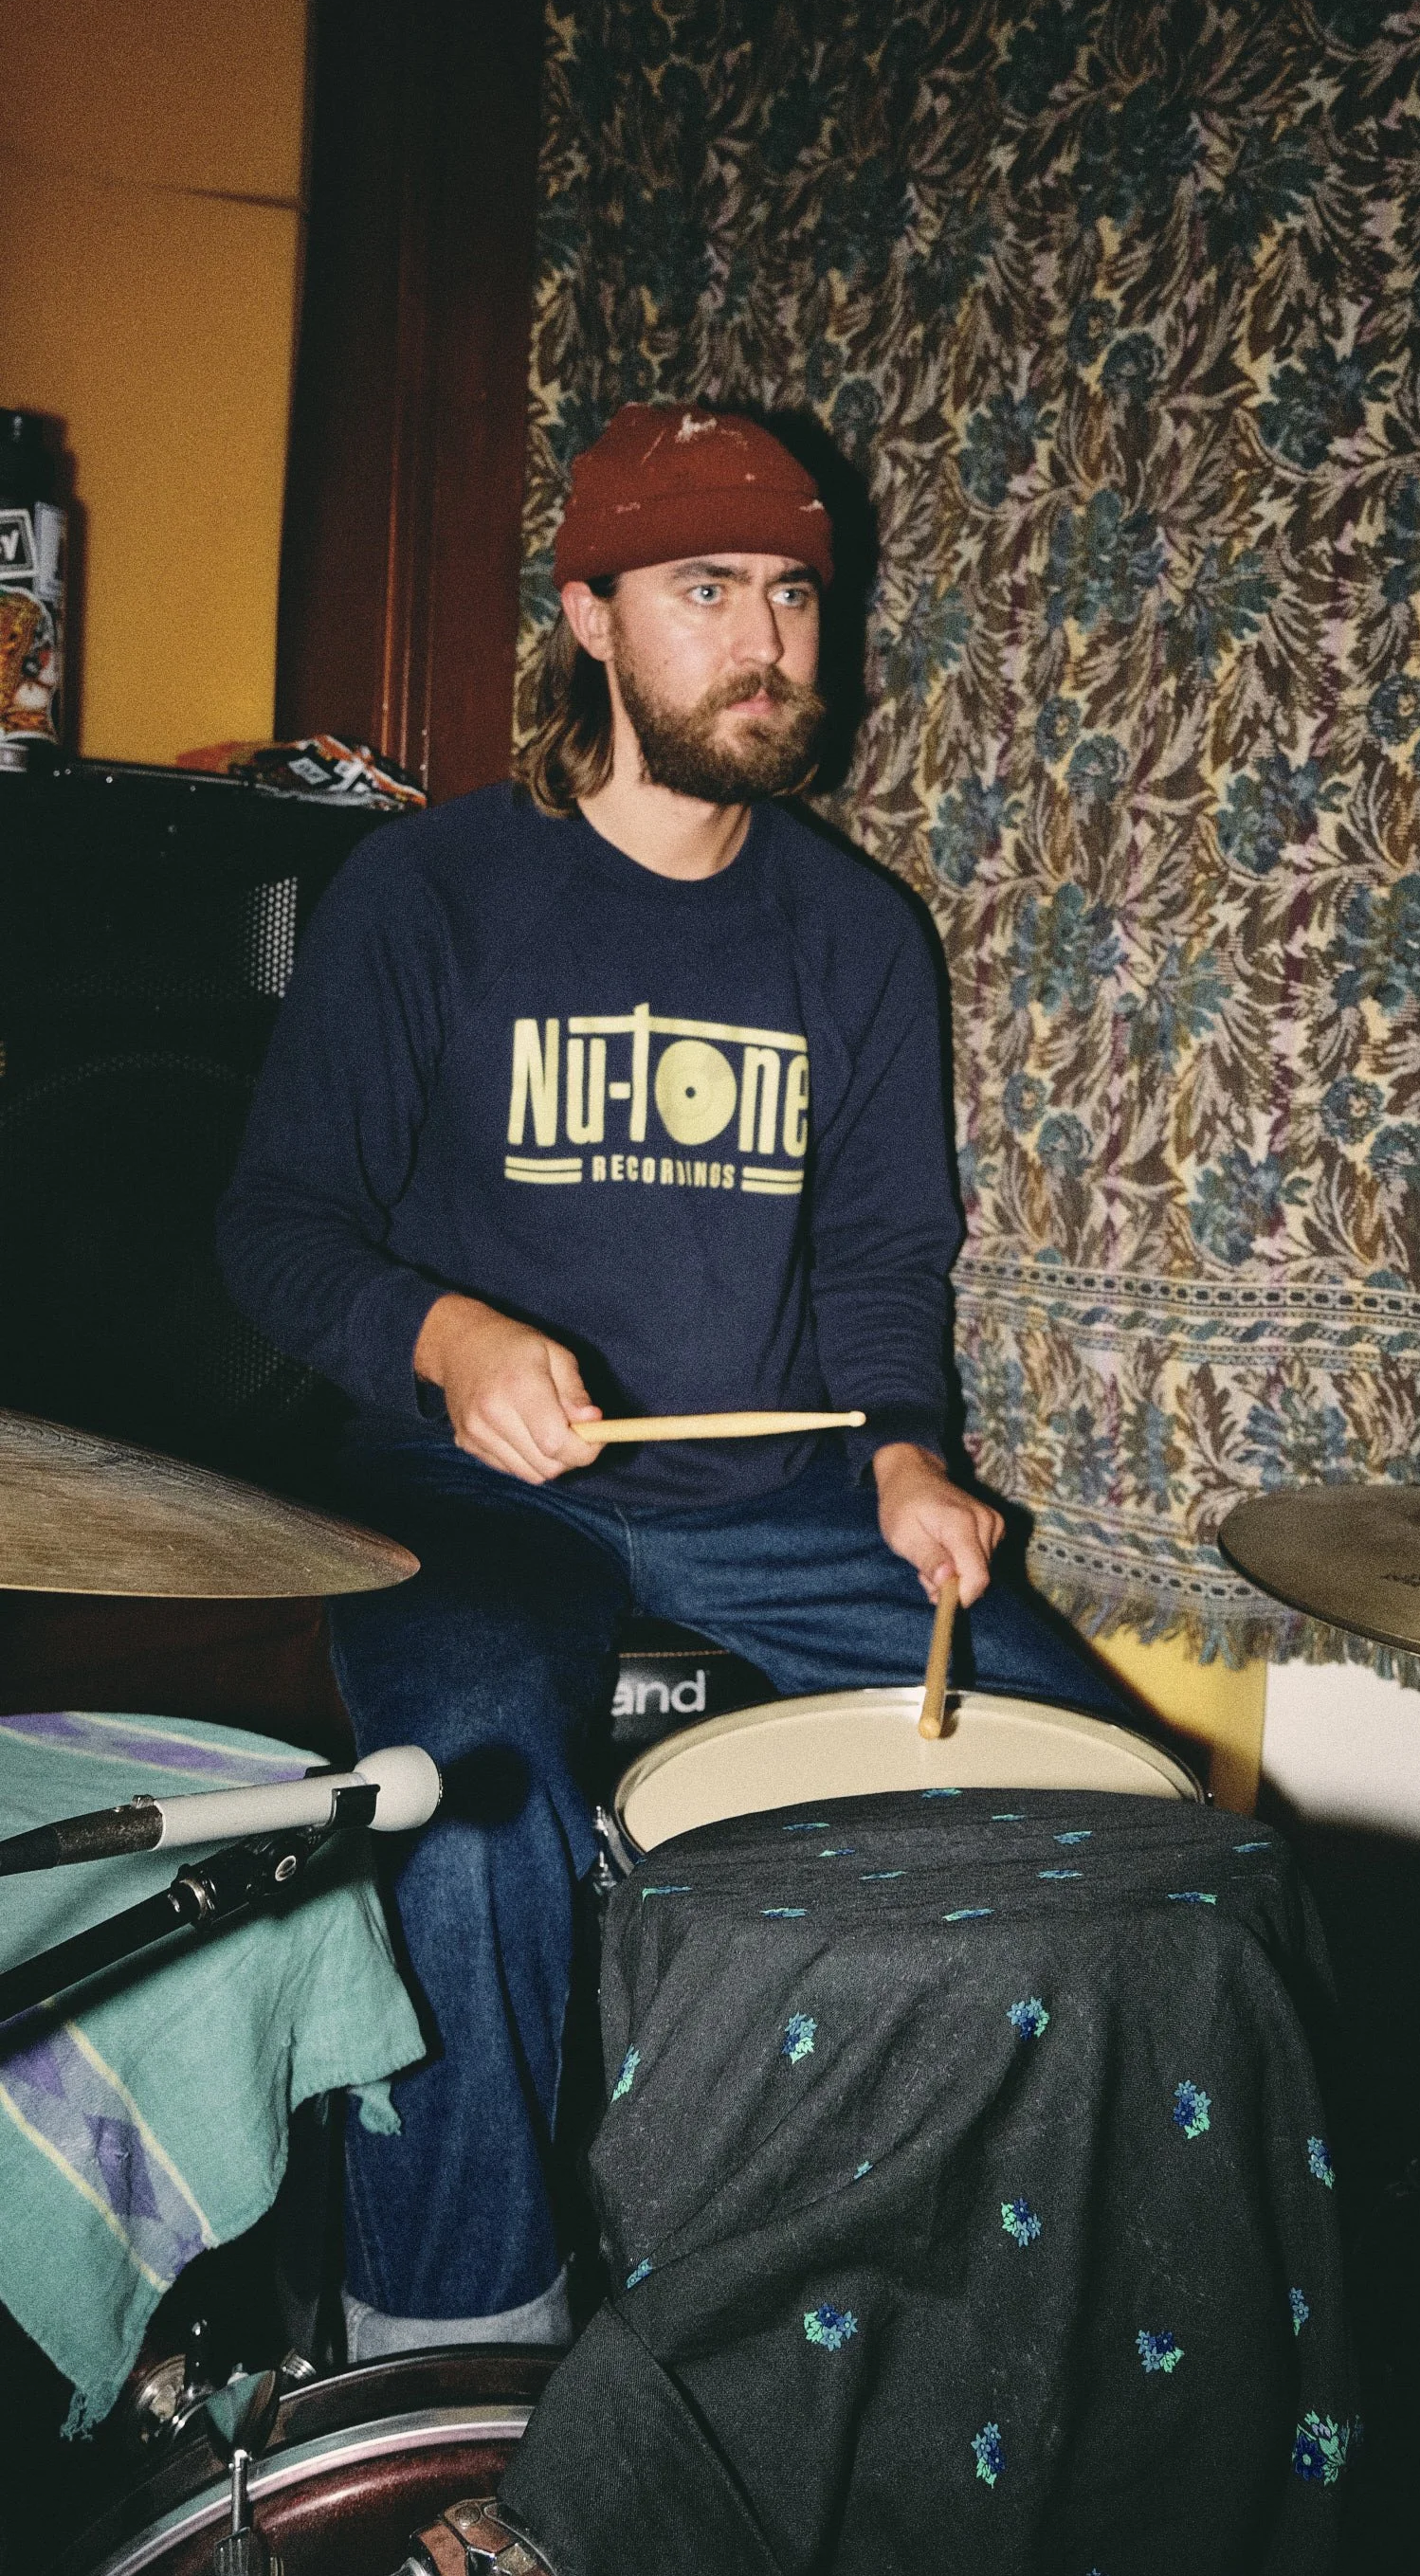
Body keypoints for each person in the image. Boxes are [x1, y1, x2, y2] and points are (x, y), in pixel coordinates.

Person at [218, 402, 1134, 2359]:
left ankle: (1012, 2319)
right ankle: (448, 2358)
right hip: (474, 1496)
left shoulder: (855, 935)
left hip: (787, 1497)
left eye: (797, 595)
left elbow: (887, 1258)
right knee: (462, 1801)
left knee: (1114, 1804)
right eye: (704, 590)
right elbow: (277, 1231)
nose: (767, 641)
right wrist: (445, 1341)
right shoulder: (428, 896)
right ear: (588, 617)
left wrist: (907, 1456)